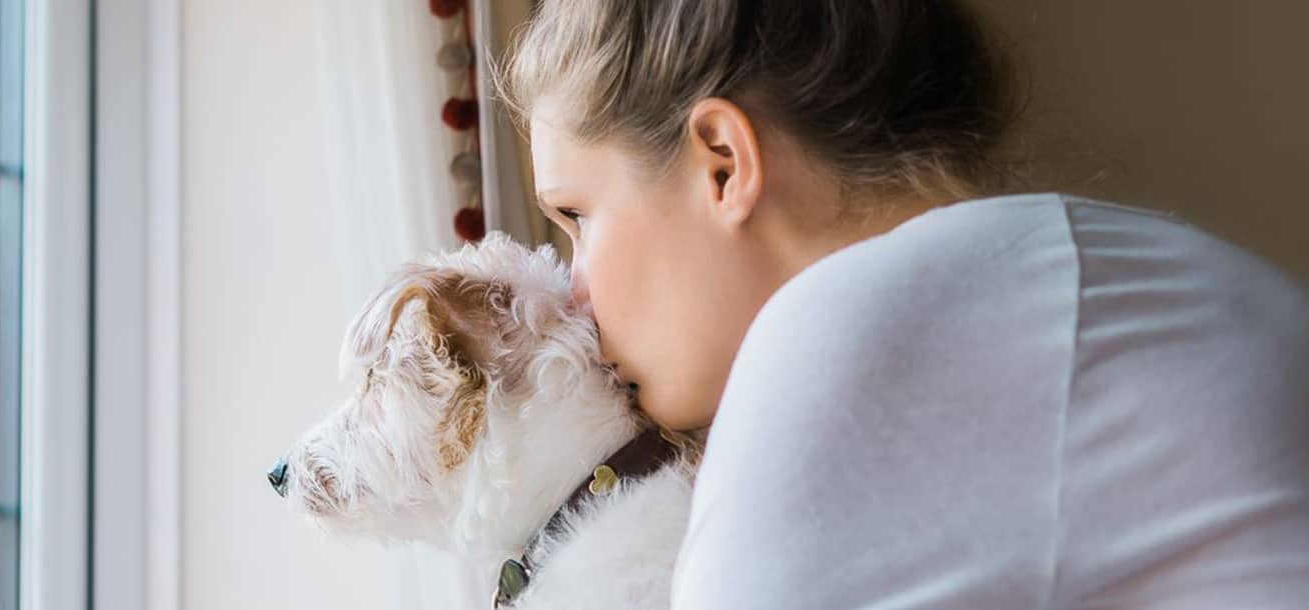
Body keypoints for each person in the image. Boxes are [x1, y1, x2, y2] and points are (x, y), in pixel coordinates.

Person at [498, 0, 1309, 607]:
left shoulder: (840, 341)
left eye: (577, 217)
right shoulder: (1134, 262)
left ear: (722, 163)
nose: (575, 297)